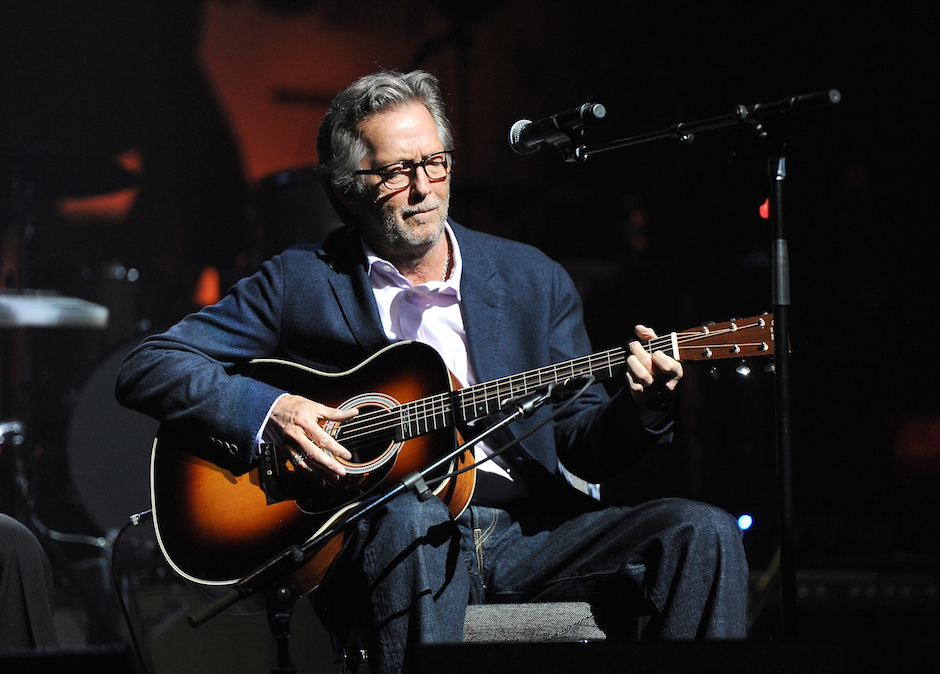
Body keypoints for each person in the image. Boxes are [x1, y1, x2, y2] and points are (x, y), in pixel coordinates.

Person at [116, 70, 748, 672]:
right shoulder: (302, 282)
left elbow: (580, 444)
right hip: (387, 540)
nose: (422, 189)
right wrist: (272, 412)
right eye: (394, 172)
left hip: (530, 536)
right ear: (345, 189)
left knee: (703, 532)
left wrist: (645, 406)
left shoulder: (531, 278)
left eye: (434, 163)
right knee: (412, 516)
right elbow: (150, 364)